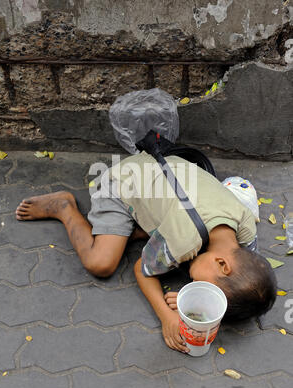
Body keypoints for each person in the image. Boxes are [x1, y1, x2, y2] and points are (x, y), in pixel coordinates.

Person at [15, 151, 277, 354]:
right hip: (123, 183)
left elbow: (251, 271)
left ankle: (143, 230)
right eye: (201, 285)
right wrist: (168, 317)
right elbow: (141, 269)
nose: (194, 285)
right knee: (101, 263)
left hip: (168, 167)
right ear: (222, 264)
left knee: (179, 247)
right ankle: (63, 207)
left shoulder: (244, 226)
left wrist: (199, 298)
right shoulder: (184, 243)